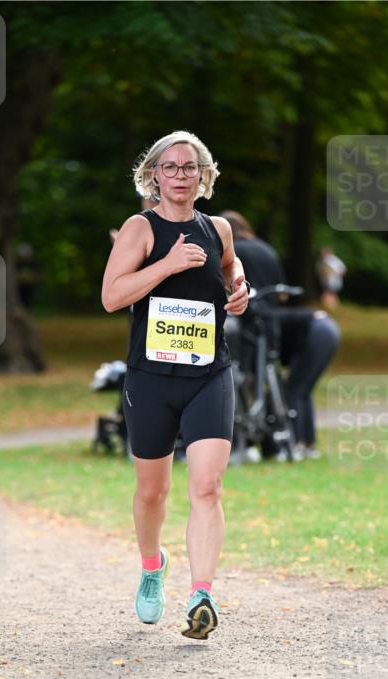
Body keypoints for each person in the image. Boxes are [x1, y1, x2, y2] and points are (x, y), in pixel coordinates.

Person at [101, 130, 249, 640]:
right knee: (153, 492)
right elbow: (112, 296)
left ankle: (202, 593)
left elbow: (232, 270)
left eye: (190, 167)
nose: (180, 175)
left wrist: (239, 291)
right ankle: (151, 566)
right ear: (154, 175)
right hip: (152, 376)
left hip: (209, 373)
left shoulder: (219, 229)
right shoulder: (140, 230)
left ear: (203, 176)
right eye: (171, 167)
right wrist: (167, 264)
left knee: (207, 485)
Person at [222, 211, 340, 459]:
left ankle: (281, 442)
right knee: (299, 388)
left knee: (282, 385)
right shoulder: (266, 249)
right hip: (295, 323)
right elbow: (283, 294)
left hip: (252, 321)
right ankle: (305, 444)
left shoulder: (234, 253)